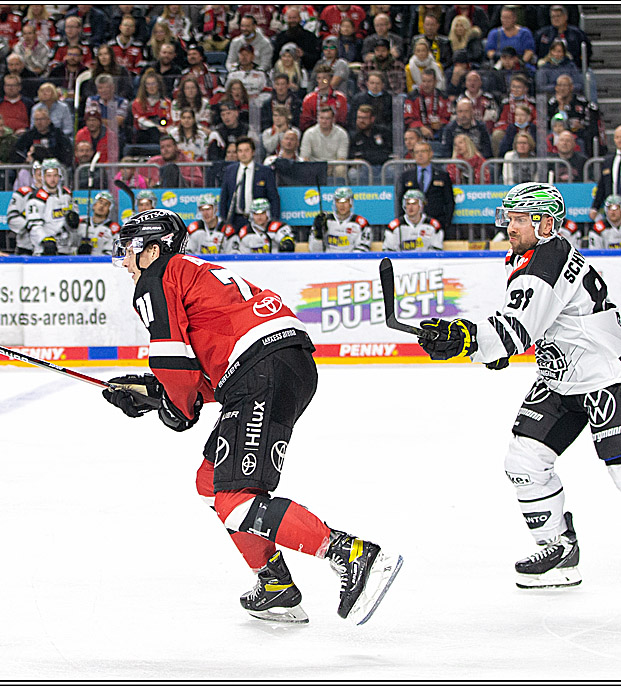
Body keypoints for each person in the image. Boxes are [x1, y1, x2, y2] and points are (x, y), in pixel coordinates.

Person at [414, 181, 621, 587]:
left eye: (519, 219)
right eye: (508, 218)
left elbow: (516, 329)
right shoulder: (531, 255)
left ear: (545, 223)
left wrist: (469, 339)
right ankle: (560, 550)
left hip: (606, 377)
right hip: (560, 379)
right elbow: (533, 325)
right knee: (524, 462)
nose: (509, 226)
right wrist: (488, 347)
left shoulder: (548, 258)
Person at [104, 208, 402, 623]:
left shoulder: (158, 276)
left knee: (235, 497)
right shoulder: (194, 272)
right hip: (283, 364)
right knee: (211, 481)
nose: (125, 261)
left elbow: (174, 364)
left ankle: (350, 554)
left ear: (153, 249)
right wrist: (156, 394)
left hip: (261, 369)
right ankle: (274, 583)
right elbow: (208, 373)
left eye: (131, 249)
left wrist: (174, 406)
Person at [398, 140, 455, 239]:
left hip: (437, 223)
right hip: (412, 225)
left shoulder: (442, 175)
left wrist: (446, 222)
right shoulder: (406, 176)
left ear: (430, 153)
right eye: (417, 152)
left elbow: (449, 201)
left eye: (423, 151)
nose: (420, 154)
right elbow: (400, 200)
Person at [219, 136, 279, 229]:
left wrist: (274, 220)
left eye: (246, 150)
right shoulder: (230, 171)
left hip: (258, 220)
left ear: (253, 152)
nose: (243, 154)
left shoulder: (265, 171)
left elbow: (273, 197)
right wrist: (223, 220)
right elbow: (224, 197)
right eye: (240, 151)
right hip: (236, 220)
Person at [23, 158, 77, 256]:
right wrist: (44, 239)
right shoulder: (36, 197)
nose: (52, 179)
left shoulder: (66, 194)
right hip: (45, 248)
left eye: (55, 175)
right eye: (49, 176)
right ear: (43, 177)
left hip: (65, 247)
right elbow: (34, 225)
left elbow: (73, 216)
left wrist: (73, 220)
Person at [309, 186, 371, 252]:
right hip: (328, 260)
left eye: (345, 201)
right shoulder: (324, 221)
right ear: (334, 203)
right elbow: (314, 251)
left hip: (351, 261)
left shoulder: (361, 223)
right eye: (338, 201)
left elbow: (363, 249)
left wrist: (346, 260)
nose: (342, 205)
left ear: (351, 203)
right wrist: (318, 236)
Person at [299, 106, 349, 181]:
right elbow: (305, 157)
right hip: (314, 165)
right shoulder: (309, 133)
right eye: (321, 118)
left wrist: (328, 166)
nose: (324, 121)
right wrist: (319, 167)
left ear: (333, 119)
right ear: (318, 119)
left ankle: (339, 190)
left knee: (341, 169)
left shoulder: (342, 134)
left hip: (334, 165)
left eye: (327, 118)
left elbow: (341, 157)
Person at [77, 191, 120, 255]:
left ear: (109, 209)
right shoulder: (81, 223)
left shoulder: (113, 230)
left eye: (106, 204)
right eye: (100, 202)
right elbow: (70, 245)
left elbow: (113, 253)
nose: (102, 206)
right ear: (94, 205)